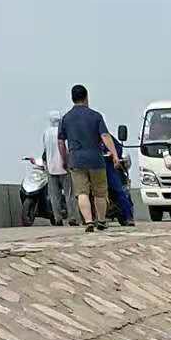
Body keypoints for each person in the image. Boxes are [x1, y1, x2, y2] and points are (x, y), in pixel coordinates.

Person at [58, 84, 119, 232]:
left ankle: (89, 221)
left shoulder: (66, 118)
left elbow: (60, 142)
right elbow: (105, 136)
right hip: (96, 160)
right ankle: (102, 220)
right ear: (86, 97)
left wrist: (64, 160)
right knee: (100, 192)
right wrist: (114, 154)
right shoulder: (96, 116)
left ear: (72, 98)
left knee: (82, 192)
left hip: (76, 160)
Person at [41, 111, 76, 225]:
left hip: (51, 167)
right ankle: (72, 218)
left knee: (54, 196)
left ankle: (58, 219)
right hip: (64, 167)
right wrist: (67, 162)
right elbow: (66, 148)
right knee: (69, 194)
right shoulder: (64, 131)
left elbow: (45, 150)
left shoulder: (46, 133)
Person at [104, 129, 135, 226]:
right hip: (92, 168)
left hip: (109, 167)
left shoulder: (106, 136)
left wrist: (113, 155)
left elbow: (118, 148)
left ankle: (128, 216)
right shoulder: (85, 137)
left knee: (119, 190)